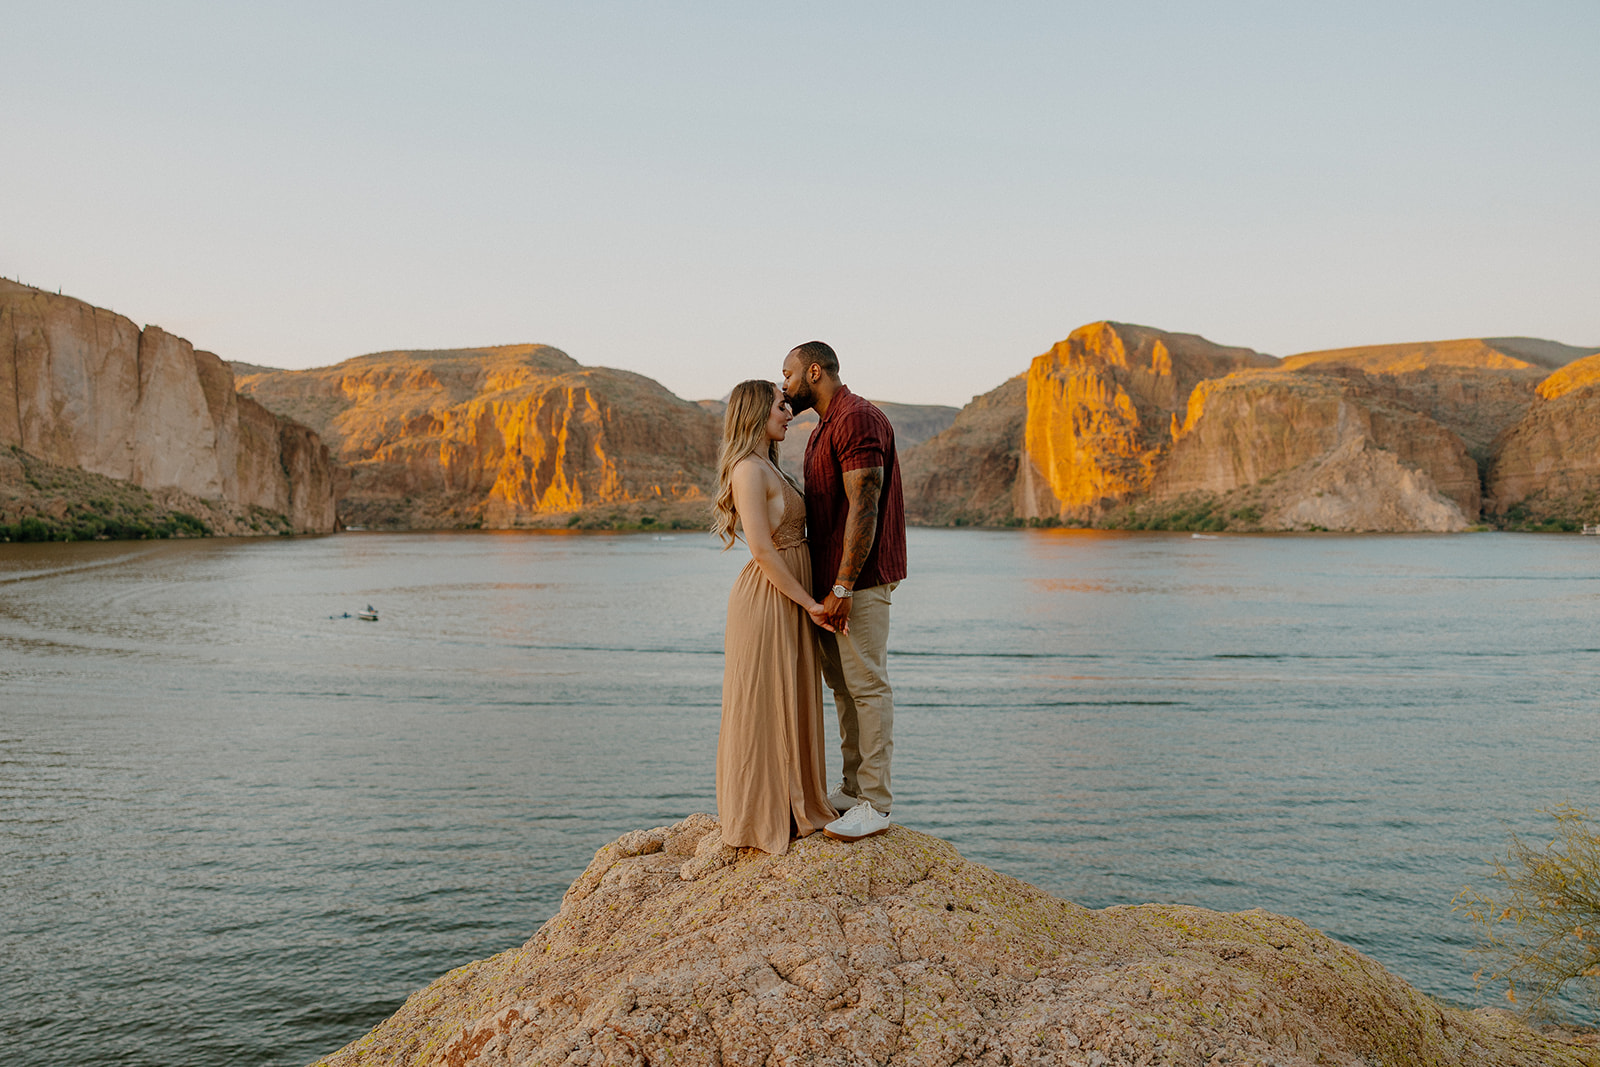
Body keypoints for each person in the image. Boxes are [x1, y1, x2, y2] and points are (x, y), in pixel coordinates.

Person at [780, 341, 907, 843]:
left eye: (787, 373)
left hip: (859, 582)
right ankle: (853, 791)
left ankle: (875, 803)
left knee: (868, 687)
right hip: (838, 585)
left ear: (814, 371)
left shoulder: (855, 419)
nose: (784, 384)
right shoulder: (822, 428)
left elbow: (865, 506)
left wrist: (842, 585)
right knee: (844, 688)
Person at [711, 379, 839, 854]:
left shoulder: (770, 466)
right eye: (781, 407)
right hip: (769, 598)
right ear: (756, 413)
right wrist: (810, 604)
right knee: (764, 701)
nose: (789, 413)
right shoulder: (748, 470)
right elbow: (763, 550)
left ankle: (794, 802)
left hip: (790, 593)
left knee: (793, 692)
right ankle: (758, 813)